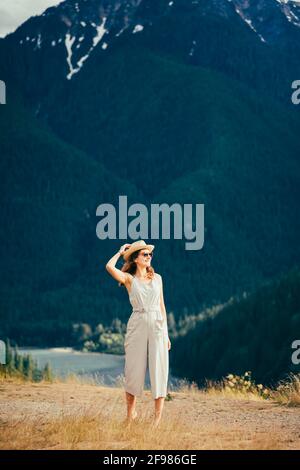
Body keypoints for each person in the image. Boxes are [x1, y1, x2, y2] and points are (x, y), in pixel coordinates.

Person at [105, 240, 171, 428]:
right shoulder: (128, 279)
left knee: (159, 369)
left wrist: (165, 333)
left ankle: (157, 419)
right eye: (144, 254)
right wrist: (120, 252)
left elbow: (162, 305)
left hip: (157, 324)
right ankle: (130, 415)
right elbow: (109, 267)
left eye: (150, 254)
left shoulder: (157, 278)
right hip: (137, 323)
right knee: (133, 369)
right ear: (135, 258)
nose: (149, 256)